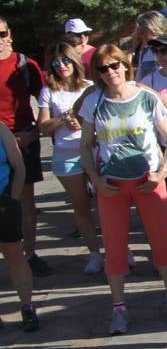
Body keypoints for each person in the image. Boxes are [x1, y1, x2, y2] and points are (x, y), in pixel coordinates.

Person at [79, 44, 167, 334]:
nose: (110, 72)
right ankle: (118, 308)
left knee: (162, 242)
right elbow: (85, 145)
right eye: (103, 68)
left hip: (148, 180)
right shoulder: (94, 101)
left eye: (115, 65)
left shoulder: (145, 97)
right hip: (112, 184)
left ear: (124, 64)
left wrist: (163, 172)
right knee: (115, 248)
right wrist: (95, 178)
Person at [37, 42, 101, 274]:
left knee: (106, 204)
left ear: (74, 61)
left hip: (93, 151)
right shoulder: (49, 91)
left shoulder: (92, 87)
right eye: (55, 63)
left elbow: (101, 122)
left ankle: (120, 249)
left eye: (65, 61)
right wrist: (64, 118)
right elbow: (43, 127)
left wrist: (82, 123)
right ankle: (94, 253)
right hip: (66, 155)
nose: (61, 66)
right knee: (81, 206)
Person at [0, 16, 49, 276]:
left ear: (10, 34)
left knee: (25, 201)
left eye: (1, 34)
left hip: (23, 138)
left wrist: (33, 132)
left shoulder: (24, 65)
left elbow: (45, 101)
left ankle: (29, 254)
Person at [0, 123, 37, 330]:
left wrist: (13, 199)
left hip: (3, 202)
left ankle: (27, 306)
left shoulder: (1, 130)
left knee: (14, 255)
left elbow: (19, 167)